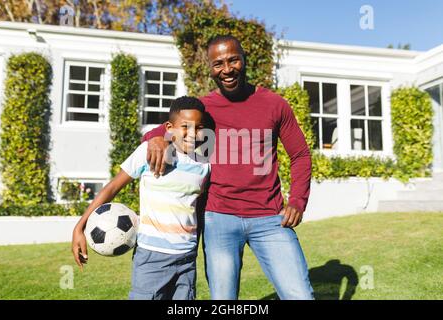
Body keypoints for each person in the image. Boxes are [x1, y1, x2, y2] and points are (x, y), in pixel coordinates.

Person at [142, 35, 314, 300]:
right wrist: (154, 138)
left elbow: (300, 154)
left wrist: (298, 200)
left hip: (270, 217)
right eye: (218, 63)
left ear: (244, 59)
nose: (227, 69)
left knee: (300, 295)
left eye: (233, 59)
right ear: (210, 68)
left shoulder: (275, 104)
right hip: (218, 218)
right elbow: (162, 132)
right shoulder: (204, 110)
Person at [71, 96, 211, 300]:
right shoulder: (149, 152)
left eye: (199, 127)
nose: (193, 134)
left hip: (187, 257)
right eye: (185, 127)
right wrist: (79, 227)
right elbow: (111, 188)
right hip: (152, 257)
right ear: (170, 127)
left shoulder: (204, 165)